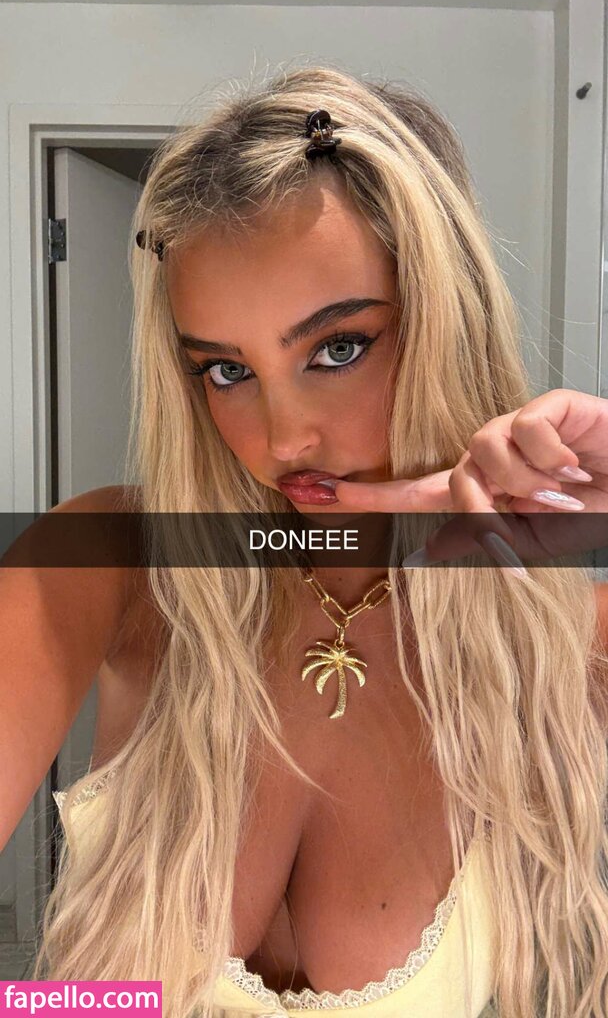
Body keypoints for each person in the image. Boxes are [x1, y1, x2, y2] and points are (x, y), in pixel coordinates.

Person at [14, 64, 608, 1017]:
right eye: (225, 371)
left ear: (445, 322)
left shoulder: (562, 637)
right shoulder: (115, 564)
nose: (283, 439)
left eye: (338, 348)